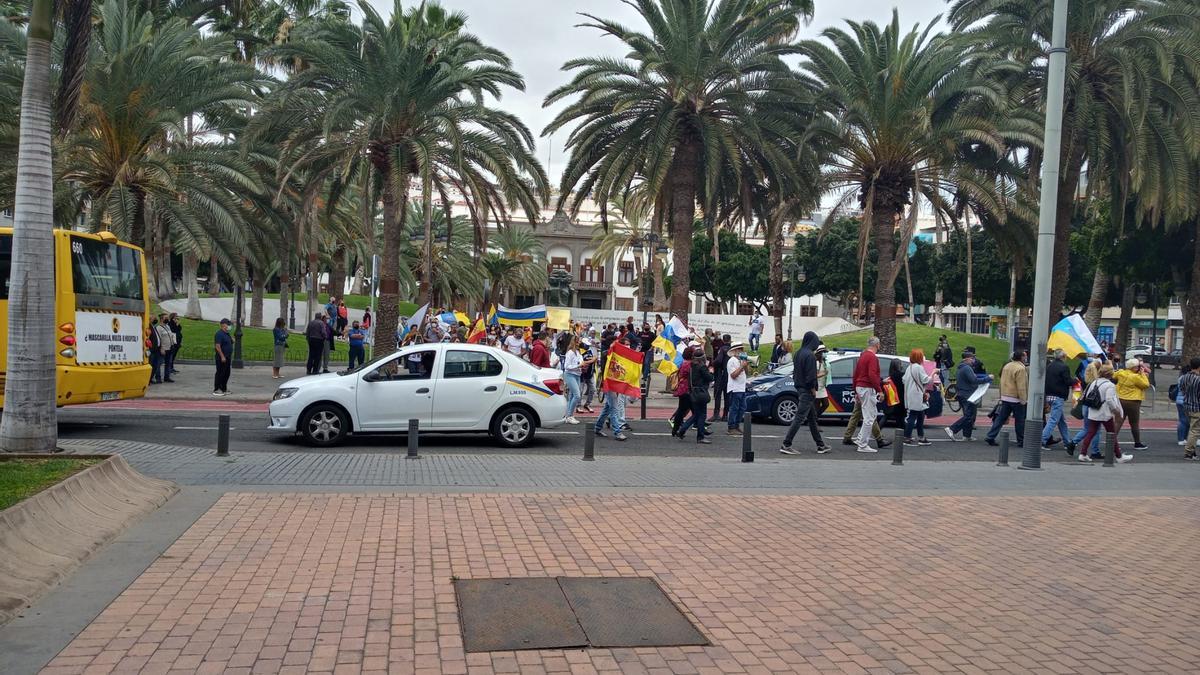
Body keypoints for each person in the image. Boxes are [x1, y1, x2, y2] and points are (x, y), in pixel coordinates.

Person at [780, 331, 829, 455]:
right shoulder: (810, 356)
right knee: (799, 418)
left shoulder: (798, 353)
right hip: (808, 390)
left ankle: (820, 445)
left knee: (812, 418)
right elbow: (810, 377)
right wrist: (813, 390)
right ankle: (786, 443)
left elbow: (797, 373)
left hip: (800, 388)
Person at [1075, 363, 1132, 463]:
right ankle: (1119, 456)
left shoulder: (1094, 382)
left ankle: (1083, 453)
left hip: (1094, 411)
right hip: (1105, 413)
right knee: (1111, 433)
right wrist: (1116, 410)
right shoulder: (1110, 385)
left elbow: (1088, 395)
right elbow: (1109, 400)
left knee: (1091, 432)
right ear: (1110, 374)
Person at [946, 349, 992, 441]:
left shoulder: (961, 367)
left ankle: (967, 435)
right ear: (966, 359)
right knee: (969, 416)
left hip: (964, 394)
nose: (973, 360)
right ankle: (952, 429)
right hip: (968, 394)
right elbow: (974, 380)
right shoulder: (967, 368)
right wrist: (987, 379)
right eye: (972, 358)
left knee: (970, 415)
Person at [984, 351, 1028, 447]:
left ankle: (990, 436)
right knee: (1020, 420)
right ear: (1021, 357)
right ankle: (1021, 440)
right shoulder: (1021, 368)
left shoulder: (1007, 366)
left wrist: (1001, 395)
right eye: (1025, 356)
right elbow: (1021, 386)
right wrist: (1023, 399)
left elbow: (1001, 382)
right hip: (1016, 397)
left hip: (1005, 396)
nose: (1026, 358)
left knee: (1000, 418)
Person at [851, 336, 884, 453]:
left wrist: (855, 390)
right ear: (877, 345)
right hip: (867, 388)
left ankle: (861, 439)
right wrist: (879, 389)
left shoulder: (863, 355)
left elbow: (855, 374)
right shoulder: (872, 358)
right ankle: (863, 444)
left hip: (860, 387)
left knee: (870, 414)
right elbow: (872, 374)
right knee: (869, 418)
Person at [675, 351, 713, 443]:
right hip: (701, 392)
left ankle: (682, 430)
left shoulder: (692, 366)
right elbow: (709, 378)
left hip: (693, 392)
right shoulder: (702, 367)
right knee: (702, 415)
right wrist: (711, 372)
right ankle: (700, 437)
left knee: (696, 414)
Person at [1114, 357, 1151, 450]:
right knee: (1134, 423)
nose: (1139, 368)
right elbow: (1146, 385)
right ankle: (1137, 443)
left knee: (1118, 421)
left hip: (1120, 399)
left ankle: (1111, 440)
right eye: (1138, 367)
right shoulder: (1136, 377)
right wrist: (1142, 373)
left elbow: (1114, 375)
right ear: (1134, 367)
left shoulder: (1121, 373)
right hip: (1133, 402)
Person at [1041, 349, 1074, 448]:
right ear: (1063, 357)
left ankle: (1067, 441)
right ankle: (1042, 439)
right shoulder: (1064, 367)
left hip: (1049, 395)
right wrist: (1074, 381)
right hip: (1058, 396)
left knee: (1060, 420)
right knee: (1054, 419)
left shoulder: (1049, 366)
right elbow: (1068, 381)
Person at [902, 349, 932, 446]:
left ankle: (920, 437)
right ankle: (907, 437)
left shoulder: (909, 368)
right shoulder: (919, 368)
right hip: (917, 395)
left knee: (920, 415)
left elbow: (904, 380)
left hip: (910, 395)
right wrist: (934, 373)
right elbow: (926, 380)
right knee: (914, 415)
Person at [670, 344, 696, 436]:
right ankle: (681, 428)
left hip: (682, 389)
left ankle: (676, 429)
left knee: (683, 410)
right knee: (692, 411)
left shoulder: (684, 363)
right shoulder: (689, 365)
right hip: (687, 390)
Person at [725, 342, 750, 434]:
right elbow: (733, 375)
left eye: (742, 349)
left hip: (741, 388)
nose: (742, 351)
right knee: (734, 408)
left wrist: (745, 365)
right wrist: (741, 366)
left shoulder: (740, 360)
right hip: (735, 388)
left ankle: (736, 425)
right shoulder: (731, 361)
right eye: (740, 349)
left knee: (742, 407)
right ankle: (731, 427)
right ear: (734, 351)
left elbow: (747, 373)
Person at [1178, 357, 1200, 460]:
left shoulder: (1184, 377)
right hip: (1197, 406)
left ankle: (1192, 451)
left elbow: (1182, 390)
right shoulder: (1198, 379)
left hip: (1186, 405)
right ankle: (1189, 452)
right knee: (1195, 430)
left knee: (1191, 429)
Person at [560, 335, 584, 424]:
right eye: (579, 341)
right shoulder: (570, 352)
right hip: (570, 374)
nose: (580, 343)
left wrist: (582, 365)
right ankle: (569, 415)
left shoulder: (578, 352)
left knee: (572, 396)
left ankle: (568, 415)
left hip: (577, 374)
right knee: (577, 395)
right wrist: (578, 366)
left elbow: (580, 363)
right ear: (575, 342)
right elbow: (566, 366)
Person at [711, 334, 731, 421]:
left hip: (721, 374)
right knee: (727, 396)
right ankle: (725, 415)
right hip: (729, 375)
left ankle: (716, 414)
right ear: (730, 340)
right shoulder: (733, 350)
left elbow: (719, 360)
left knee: (718, 394)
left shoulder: (722, 349)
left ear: (723, 340)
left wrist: (713, 363)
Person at [213, 319, 233, 396]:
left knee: (226, 373)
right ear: (223, 325)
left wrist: (231, 339)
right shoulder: (219, 334)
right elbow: (217, 346)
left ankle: (224, 388)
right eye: (228, 324)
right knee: (220, 373)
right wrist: (222, 356)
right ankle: (217, 389)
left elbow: (230, 342)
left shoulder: (226, 333)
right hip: (222, 357)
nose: (229, 326)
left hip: (228, 357)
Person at [153, 314, 176, 383]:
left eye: (167, 318)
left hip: (170, 347)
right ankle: (158, 378)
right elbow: (159, 339)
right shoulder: (158, 328)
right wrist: (161, 348)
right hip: (163, 348)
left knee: (168, 363)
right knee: (159, 364)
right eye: (166, 318)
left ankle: (167, 377)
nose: (167, 319)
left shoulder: (167, 326)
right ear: (161, 319)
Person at [579, 338, 597, 413]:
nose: (588, 346)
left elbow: (595, 358)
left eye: (588, 345)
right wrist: (592, 360)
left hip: (590, 374)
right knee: (580, 391)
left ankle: (587, 404)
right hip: (582, 375)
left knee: (593, 389)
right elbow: (584, 362)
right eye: (586, 345)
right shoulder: (579, 352)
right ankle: (578, 406)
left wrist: (593, 359)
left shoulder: (590, 350)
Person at [814, 345, 831, 418]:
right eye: (824, 352)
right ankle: (814, 421)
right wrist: (823, 373)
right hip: (817, 387)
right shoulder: (817, 363)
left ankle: (814, 418)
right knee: (816, 405)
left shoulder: (824, 362)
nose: (825, 354)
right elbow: (815, 375)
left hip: (822, 387)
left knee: (826, 404)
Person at [148, 316, 163, 384]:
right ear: (150, 319)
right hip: (152, 350)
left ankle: (150, 379)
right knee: (151, 365)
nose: (156, 320)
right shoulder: (148, 327)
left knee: (155, 365)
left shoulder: (154, 327)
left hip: (157, 349)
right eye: (154, 318)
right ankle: (148, 380)